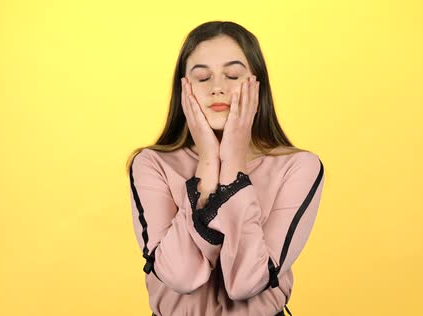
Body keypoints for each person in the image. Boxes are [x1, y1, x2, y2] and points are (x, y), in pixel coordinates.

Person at [126, 20, 326, 316]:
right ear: (183, 91)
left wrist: (232, 164)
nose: (218, 88)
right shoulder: (151, 164)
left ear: (258, 86)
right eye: (202, 78)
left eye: (233, 75)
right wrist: (207, 163)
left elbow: (246, 283)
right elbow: (180, 275)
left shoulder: (298, 167)